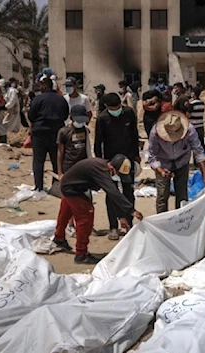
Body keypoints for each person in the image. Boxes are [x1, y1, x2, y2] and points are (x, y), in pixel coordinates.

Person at [53, 154, 144, 264]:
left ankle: (59, 238)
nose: (116, 176)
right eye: (117, 173)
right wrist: (131, 210)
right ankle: (81, 254)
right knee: (85, 218)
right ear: (112, 168)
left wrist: (121, 216)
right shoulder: (101, 171)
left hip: (69, 185)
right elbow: (113, 193)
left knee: (65, 212)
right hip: (72, 189)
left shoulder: (102, 166)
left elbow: (112, 194)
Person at [94, 93, 140, 240]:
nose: (116, 110)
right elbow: (98, 142)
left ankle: (129, 224)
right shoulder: (102, 118)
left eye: (118, 107)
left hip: (128, 159)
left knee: (128, 190)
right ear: (107, 107)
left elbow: (134, 134)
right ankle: (113, 226)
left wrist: (136, 155)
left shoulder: (128, 113)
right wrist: (103, 162)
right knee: (112, 193)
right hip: (110, 161)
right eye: (113, 108)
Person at [148, 111, 205, 213]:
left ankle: (180, 224)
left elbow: (199, 152)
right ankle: (162, 224)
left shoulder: (190, 130)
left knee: (182, 196)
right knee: (162, 196)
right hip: (163, 163)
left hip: (182, 162)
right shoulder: (155, 133)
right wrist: (161, 171)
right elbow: (152, 156)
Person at [28, 77, 69, 191]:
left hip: (39, 133)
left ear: (44, 86)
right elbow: (65, 116)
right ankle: (56, 186)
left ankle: (39, 187)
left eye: (41, 85)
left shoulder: (38, 99)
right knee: (56, 161)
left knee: (38, 161)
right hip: (57, 133)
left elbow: (31, 116)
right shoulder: (61, 99)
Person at [57, 104, 92, 179]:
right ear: (71, 118)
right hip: (69, 166)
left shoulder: (85, 130)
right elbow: (60, 152)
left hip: (83, 165)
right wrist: (60, 172)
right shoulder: (63, 132)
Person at [187, 86, 205, 151]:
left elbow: (188, 115)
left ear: (194, 93)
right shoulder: (202, 103)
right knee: (201, 143)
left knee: (193, 144)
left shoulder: (192, 104)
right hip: (201, 126)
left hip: (193, 126)